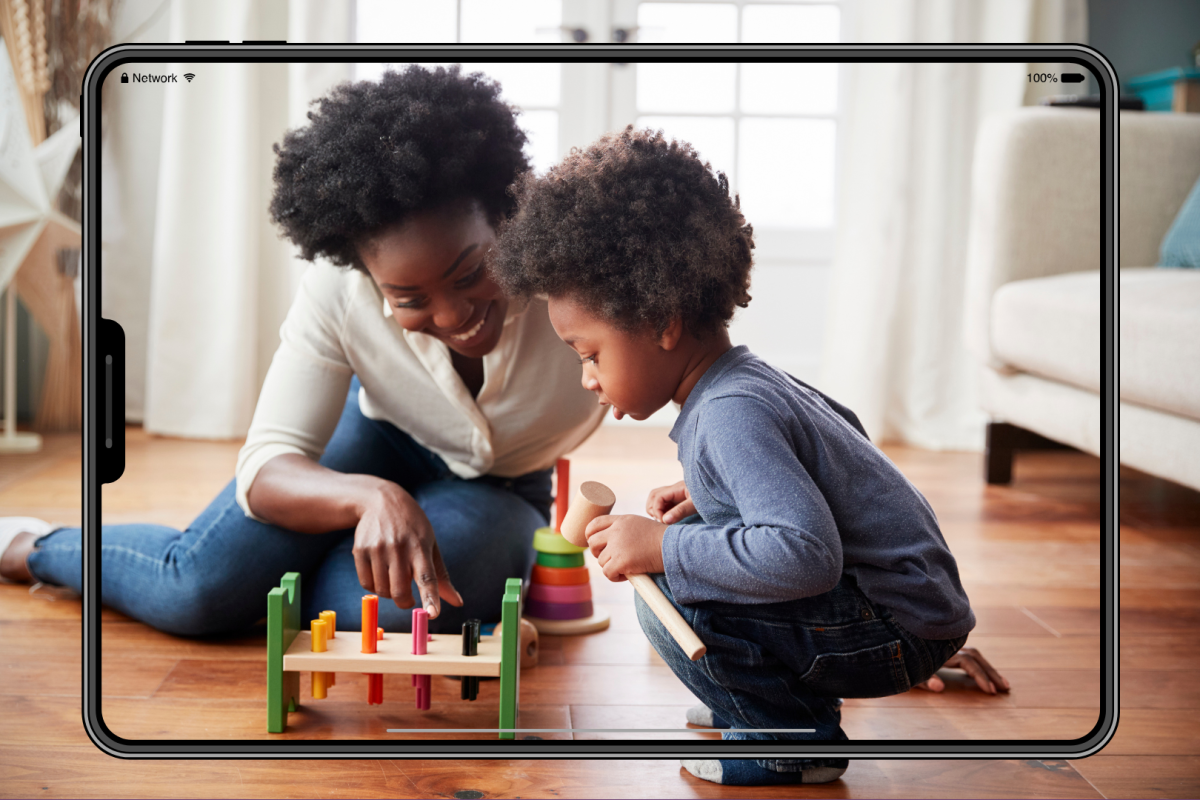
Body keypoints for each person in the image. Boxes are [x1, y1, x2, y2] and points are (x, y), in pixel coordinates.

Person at [0, 66, 605, 635]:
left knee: (384, 614)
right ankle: (34, 549)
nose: (452, 316)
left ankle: (269, 577)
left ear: (506, 218)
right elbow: (266, 468)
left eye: (472, 273)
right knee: (197, 591)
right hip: (380, 435)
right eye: (408, 296)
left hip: (499, 485)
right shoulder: (337, 290)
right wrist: (370, 497)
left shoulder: (581, 273)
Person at [490, 126, 995, 785]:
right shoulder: (744, 382)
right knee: (698, 536)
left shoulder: (729, 413)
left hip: (893, 625)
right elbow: (839, 450)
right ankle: (764, 701)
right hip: (909, 609)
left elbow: (806, 557)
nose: (586, 376)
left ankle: (785, 740)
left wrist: (660, 552)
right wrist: (712, 492)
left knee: (671, 595)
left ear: (663, 322)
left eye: (590, 353)